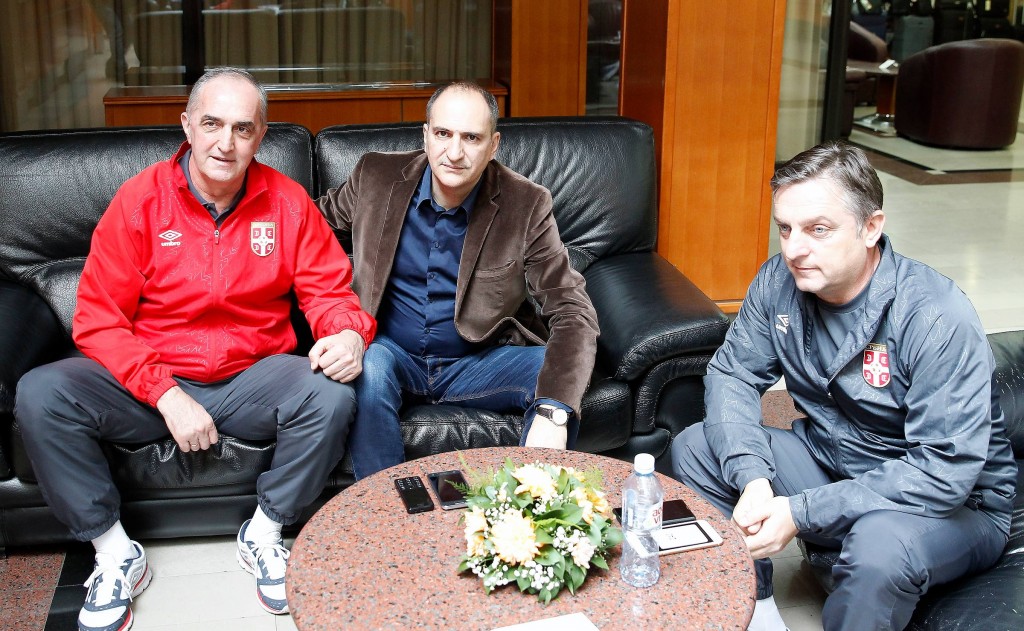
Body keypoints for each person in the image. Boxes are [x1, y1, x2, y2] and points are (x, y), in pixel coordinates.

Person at [15, 68, 375, 631]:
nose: (225, 143)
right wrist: (165, 394)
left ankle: (265, 532)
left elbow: (328, 292)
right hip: (148, 383)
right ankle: (115, 554)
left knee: (330, 393)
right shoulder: (140, 200)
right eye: (211, 124)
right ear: (187, 125)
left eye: (242, 128)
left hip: (249, 379)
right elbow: (98, 319)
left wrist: (348, 332)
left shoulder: (287, 203)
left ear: (260, 136)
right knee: (41, 392)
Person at [671, 141, 1016, 631]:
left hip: (950, 502)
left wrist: (801, 511)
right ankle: (756, 608)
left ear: (871, 227)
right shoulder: (778, 282)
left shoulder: (935, 316)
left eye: (818, 230)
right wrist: (752, 478)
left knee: (880, 545)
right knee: (698, 447)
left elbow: (943, 471)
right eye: (785, 229)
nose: (794, 250)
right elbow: (733, 374)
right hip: (835, 461)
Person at [317, 81, 600, 479]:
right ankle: (387, 507)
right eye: (443, 134)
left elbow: (571, 308)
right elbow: (305, 229)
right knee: (370, 366)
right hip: (391, 353)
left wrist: (554, 412)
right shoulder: (376, 177)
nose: (453, 152)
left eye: (471, 138)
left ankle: (521, 510)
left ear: (493, 145)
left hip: (478, 361)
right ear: (425, 135)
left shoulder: (526, 204)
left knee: (556, 376)